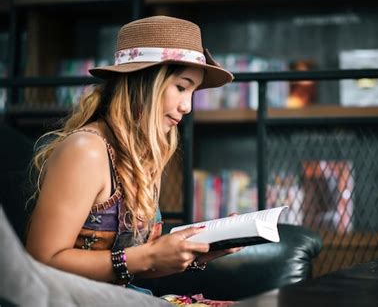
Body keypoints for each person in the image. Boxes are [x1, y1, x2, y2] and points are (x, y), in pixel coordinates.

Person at [25, 15, 238, 297]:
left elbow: (131, 265)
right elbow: (42, 261)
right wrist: (148, 256)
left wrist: (197, 254)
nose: (187, 106)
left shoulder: (145, 155)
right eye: (181, 87)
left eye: (193, 92)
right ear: (143, 81)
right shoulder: (86, 150)